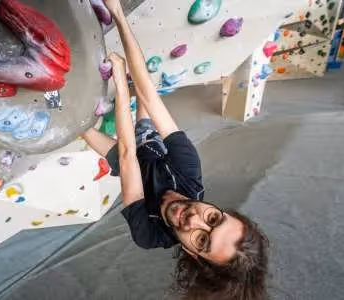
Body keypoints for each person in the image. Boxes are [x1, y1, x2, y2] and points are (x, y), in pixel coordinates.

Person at [82, 1, 270, 299]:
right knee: (145, 93)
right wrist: (116, 13)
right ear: (220, 210)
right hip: (151, 145)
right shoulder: (188, 170)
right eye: (212, 219)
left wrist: (120, 87)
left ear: (193, 255)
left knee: (77, 125)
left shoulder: (149, 235)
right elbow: (148, 94)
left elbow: (128, 157)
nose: (192, 218)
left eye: (202, 240)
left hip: (131, 167)